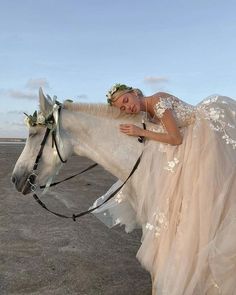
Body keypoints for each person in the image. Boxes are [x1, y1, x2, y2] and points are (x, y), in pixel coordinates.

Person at [92, 83, 236, 294]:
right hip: (187, 146)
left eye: (125, 101)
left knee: (208, 197)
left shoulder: (157, 100)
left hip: (203, 141)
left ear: (135, 93)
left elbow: (176, 138)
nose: (127, 107)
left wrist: (141, 131)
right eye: (122, 108)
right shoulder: (148, 114)